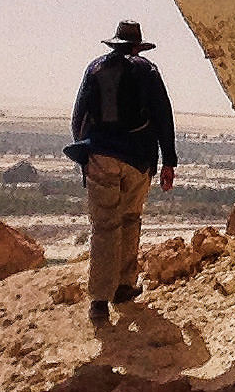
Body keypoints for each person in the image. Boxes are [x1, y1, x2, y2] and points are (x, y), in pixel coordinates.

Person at [66, 18, 176, 328]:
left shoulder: (96, 68)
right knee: (130, 219)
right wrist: (169, 161)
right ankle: (124, 286)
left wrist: (85, 154)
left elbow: (79, 117)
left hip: (101, 155)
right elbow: (163, 117)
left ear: (114, 44)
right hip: (138, 159)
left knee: (104, 226)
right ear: (138, 46)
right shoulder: (148, 70)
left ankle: (99, 302)